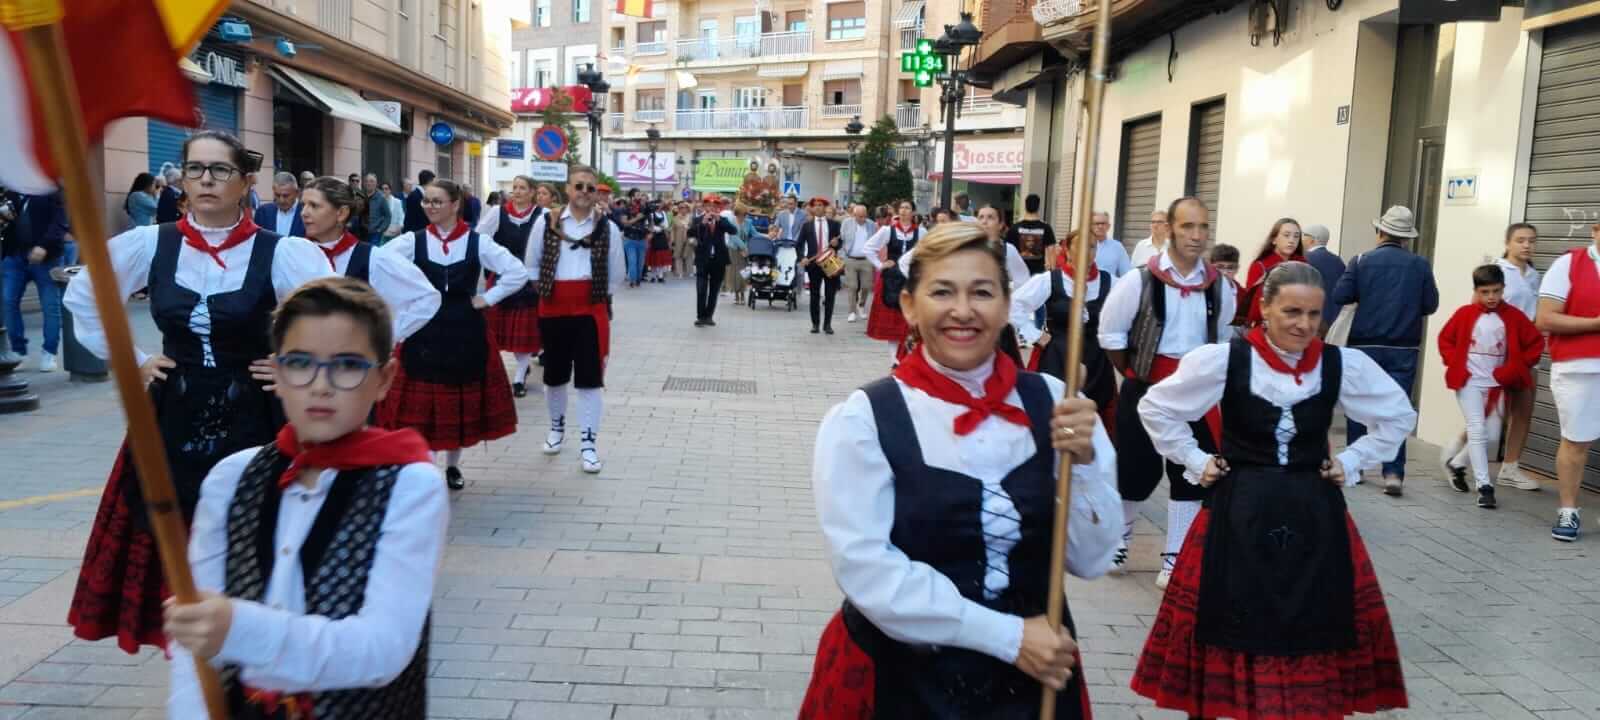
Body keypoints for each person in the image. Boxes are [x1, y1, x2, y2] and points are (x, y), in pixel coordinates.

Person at [797, 221, 1123, 719]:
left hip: (1034, 683)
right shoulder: (864, 420)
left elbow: (1092, 560)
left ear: (1008, 304)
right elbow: (866, 570)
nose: (964, 311)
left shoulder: (1058, 405)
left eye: (983, 292)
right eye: (942, 292)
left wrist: (1086, 466)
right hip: (903, 680)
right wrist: (1009, 636)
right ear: (909, 305)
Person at [64, 130, 334, 653]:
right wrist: (137, 361)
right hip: (173, 408)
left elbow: (334, 315)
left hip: (256, 411)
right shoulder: (152, 242)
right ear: (183, 179)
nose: (206, 180)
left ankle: (249, 646)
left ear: (245, 182)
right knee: (174, 528)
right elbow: (84, 296)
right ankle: (193, 655)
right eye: (195, 170)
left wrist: (292, 366)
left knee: (252, 528)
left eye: (220, 171)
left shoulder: (281, 252)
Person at [1131, 261, 1412, 719]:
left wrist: (1352, 461)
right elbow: (1157, 407)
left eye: (1314, 314)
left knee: (1313, 617)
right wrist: (1197, 461)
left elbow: (1398, 415)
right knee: (1231, 616)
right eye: (1291, 312)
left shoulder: (1340, 364)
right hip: (1238, 511)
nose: (1304, 324)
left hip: (1314, 513)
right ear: (1264, 308)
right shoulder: (1227, 359)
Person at [164, 277, 446, 718]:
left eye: (348, 365)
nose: (320, 385)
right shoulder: (231, 478)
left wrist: (239, 628)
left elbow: (384, 649)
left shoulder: (410, 484)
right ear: (276, 373)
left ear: (384, 378)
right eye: (300, 363)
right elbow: (195, 649)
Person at [1098, 196, 1235, 586]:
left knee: (1189, 471)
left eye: (1203, 227)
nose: (1196, 235)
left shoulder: (1219, 287)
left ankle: (1175, 555)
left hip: (1196, 392)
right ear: (1169, 229)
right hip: (1147, 385)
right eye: (1188, 226)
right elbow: (1110, 333)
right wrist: (1135, 373)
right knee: (1134, 469)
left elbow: (1222, 337)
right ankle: (1119, 539)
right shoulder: (1139, 279)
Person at [377, 178, 529, 490]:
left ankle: (453, 466)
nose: (430, 207)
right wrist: (404, 298)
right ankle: (425, 469)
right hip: (424, 328)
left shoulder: (477, 242)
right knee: (425, 403)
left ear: (455, 204)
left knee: (456, 401)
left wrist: (487, 298)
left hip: (465, 328)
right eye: (426, 201)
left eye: (436, 201)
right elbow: (379, 264)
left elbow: (517, 271)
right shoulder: (413, 240)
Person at [1331, 205, 1439, 496]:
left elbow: (1340, 295)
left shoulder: (1361, 260)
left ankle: (1357, 466)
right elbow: (1431, 305)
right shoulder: (1420, 265)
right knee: (1397, 409)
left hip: (1364, 344)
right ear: (1406, 237)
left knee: (1357, 405)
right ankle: (1393, 474)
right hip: (1404, 347)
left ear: (1380, 231)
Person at [525, 166, 624, 474]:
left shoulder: (609, 229)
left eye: (590, 188)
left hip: (590, 311)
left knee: (590, 380)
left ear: (596, 193)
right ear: (567, 189)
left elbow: (616, 274)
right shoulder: (546, 223)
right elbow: (531, 264)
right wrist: (548, 290)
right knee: (553, 376)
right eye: (578, 186)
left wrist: (591, 293)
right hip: (553, 308)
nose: (584, 191)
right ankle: (556, 429)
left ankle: (588, 443)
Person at [1437, 264, 1543, 508]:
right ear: (1476, 291)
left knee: (1493, 436)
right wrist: (1456, 364)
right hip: (1469, 381)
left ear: (1504, 289)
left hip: (1497, 385)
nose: (1491, 297)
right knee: (1477, 429)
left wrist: (1515, 368)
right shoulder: (1465, 314)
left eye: (1496, 291)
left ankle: (1457, 464)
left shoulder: (1514, 316)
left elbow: (1535, 344)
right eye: (1485, 292)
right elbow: (1445, 340)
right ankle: (1485, 486)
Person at [299, 176, 439, 344]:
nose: (304, 212)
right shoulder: (293, 253)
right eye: (303, 205)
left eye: (314, 205)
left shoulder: (373, 258)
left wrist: (383, 338)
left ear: (341, 213)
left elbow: (427, 297)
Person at [1011, 228, 1117, 431]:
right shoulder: (1050, 280)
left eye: (1092, 247)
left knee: (1093, 419)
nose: (1087, 252)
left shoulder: (1109, 282)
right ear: (1067, 250)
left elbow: (1128, 313)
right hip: (1057, 357)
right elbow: (1014, 306)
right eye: (1080, 246)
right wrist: (1036, 335)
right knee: (1055, 414)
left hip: (1096, 361)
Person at [1535, 220, 1600, 542]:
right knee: (1576, 441)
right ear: (1596, 231)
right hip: (1580, 368)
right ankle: (1569, 509)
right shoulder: (1568, 264)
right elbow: (1545, 318)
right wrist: (1596, 323)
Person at [1475, 223, 1543, 491]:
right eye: (1520, 240)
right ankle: (1458, 456)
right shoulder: (1498, 271)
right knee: (1491, 411)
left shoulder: (1534, 276)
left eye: (1531, 241)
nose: (1526, 245)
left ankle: (1510, 468)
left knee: (1523, 411)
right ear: (1507, 242)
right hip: (1499, 353)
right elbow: (1477, 306)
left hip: (1526, 353)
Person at [475, 175, 546, 398]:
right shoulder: (498, 213)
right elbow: (478, 239)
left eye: (522, 188)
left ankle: (518, 378)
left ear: (532, 192)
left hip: (530, 282)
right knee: (495, 332)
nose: (517, 191)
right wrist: (492, 262)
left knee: (523, 336)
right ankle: (503, 374)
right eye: (514, 187)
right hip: (502, 280)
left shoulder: (542, 216)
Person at [1, 190, 68, 371]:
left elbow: (61, 221)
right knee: (7, 301)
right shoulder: (12, 192)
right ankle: (18, 350)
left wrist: (43, 245)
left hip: (48, 257)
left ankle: (49, 352)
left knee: (50, 305)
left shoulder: (51, 189)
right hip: (15, 256)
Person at [863, 200, 924, 365]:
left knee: (907, 321)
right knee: (892, 323)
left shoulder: (921, 232)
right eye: (902, 208)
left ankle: (906, 357)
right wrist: (880, 265)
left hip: (910, 281)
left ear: (913, 212)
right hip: (891, 280)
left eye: (908, 208)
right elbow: (868, 248)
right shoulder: (887, 230)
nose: (904, 211)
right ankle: (894, 360)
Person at [1239, 218, 1307, 328]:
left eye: (1296, 236)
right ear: (1274, 239)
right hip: (1267, 329)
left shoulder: (1304, 266)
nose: (1291, 240)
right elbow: (1253, 310)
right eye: (1286, 235)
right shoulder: (1259, 266)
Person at [689, 195, 738, 327]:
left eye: (715, 207)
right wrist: (702, 224)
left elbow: (734, 230)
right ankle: (700, 316)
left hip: (718, 260)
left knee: (714, 290)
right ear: (704, 207)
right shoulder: (697, 219)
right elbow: (690, 233)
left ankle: (709, 316)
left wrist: (720, 220)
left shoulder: (722, 219)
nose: (711, 209)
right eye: (709, 206)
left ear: (718, 208)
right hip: (702, 259)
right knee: (701, 289)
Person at [797, 197, 842, 335]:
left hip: (830, 261)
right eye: (815, 205)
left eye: (820, 205)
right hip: (814, 263)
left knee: (830, 294)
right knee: (814, 294)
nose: (817, 207)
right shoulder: (807, 225)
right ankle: (815, 324)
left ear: (825, 207)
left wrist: (837, 244)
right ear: (811, 208)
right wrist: (802, 257)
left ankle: (827, 324)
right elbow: (798, 245)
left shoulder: (834, 224)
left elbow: (840, 242)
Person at [1302, 223, 1345, 335]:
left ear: (1312, 240)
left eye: (1303, 235)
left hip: (1313, 321)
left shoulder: (1305, 259)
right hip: (1334, 323)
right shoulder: (1338, 261)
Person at [976, 205, 1033, 287]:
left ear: (1000, 225)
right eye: (980, 217)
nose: (984, 221)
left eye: (990, 217)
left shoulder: (1008, 250)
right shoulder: (968, 248)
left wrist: (1002, 286)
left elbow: (1023, 281)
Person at [839, 203, 878, 322]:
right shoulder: (847, 223)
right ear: (854, 215)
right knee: (853, 286)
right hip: (850, 258)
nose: (862, 219)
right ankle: (851, 311)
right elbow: (842, 240)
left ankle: (861, 305)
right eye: (860, 216)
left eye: (864, 216)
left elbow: (875, 241)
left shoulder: (871, 224)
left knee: (866, 286)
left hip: (866, 259)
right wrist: (842, 256)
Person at [1006, 194, 1056, 276]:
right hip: (1039, 274)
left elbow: (1007, 251)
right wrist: (1053, 274)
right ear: (1038, 207)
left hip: (1018, 273)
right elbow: (1052, 251)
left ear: (1025, 206)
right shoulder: (1046, 228)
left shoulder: (1014, 228)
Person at [254, 172, 307, 238]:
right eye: (277, 195)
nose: (281, 200)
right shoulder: (263, 212)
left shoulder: (307, 212)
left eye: (286, 196)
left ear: (297, 193)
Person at [1090, 210, 1132, 278]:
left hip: (1109, 287)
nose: (1100, 226)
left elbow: (1126, 274)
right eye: (1097, 223)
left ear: (1108, 226)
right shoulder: (1082, 246)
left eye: (1103, 223)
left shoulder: (1117, 247)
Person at [725, 204, 752, 306]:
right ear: (737, 214)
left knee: (744, 272)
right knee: (735, 273)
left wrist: (766, 236)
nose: (743, 217)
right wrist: (744, 248)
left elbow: (754, 233)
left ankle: (742, 294)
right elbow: (734, 237)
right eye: (741, 215)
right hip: (734, 250)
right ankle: (737, 295)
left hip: (745, 252)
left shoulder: (748, 222)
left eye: (744, 215)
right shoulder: (731, 223)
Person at [621, 192, 648, 288]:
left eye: (641, 195)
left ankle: (638, 279)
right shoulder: (626, 209)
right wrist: (636, 218)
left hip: (642, 239)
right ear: (632, 197)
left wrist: (651, 232)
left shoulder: (644, 208)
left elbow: (650, 221)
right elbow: (624, 223)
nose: (640, 197)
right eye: (637, 195)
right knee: (632, 261)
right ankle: (632, 280)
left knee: (640, 263)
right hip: (630, 239)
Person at [361, 172, 391, 246]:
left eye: (371, 181)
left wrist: (380, 229)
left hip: (374, 234)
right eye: (367, 181)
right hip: (361, 234)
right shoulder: (360, 196)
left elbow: (388, 216)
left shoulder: (381, 198)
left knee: (372, 255)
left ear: (376, 183)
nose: (369, 183)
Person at [646, 199, 672, 283]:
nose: (661, 205)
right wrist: (657, 228)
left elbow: (666, 225)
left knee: (661, 256)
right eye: (660, 204)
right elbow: (649, 225)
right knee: (654, 256)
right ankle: (653, 276)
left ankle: (660, 276)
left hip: (662, 236)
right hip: (654, 236)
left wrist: (663, 228)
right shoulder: (651, 214)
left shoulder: (663, 213)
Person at [670, 200, 694, 279]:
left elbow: (694, 228)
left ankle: (689, 271)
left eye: (685, 208)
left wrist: (693, 237)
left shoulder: (690, 218)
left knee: (688, 255)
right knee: (678, 255)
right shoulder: (675, 218)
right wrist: (672, 240)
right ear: (679, 209)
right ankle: (679, 272)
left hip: (688, 238)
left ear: (687, 209)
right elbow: (672, 230)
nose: (683, 209)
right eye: (681, 208)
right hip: (678, 239)